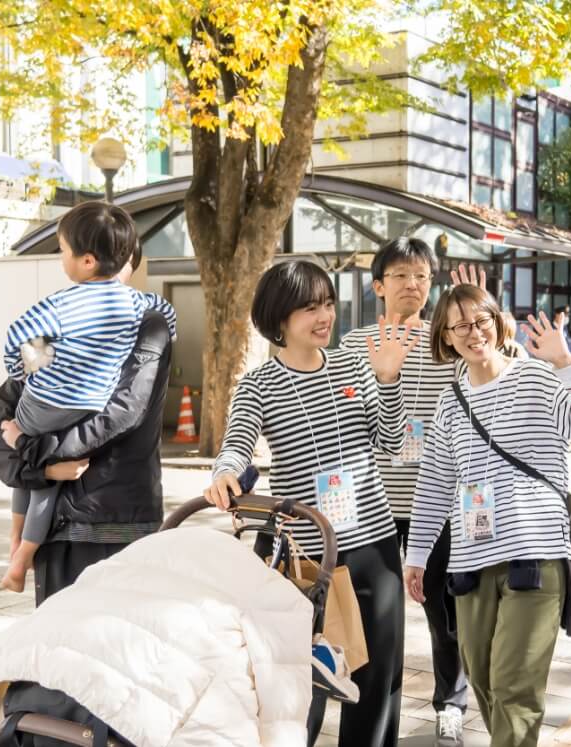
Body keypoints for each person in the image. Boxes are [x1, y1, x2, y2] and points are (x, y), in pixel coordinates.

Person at [205, 260, 415, 747]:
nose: (324, 316)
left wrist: (388, 380)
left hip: (374, 543)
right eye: (309, 308)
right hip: (307, 554)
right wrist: (224, 473)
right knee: (305, 680)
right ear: (280, 318)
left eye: (327, 304)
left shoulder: (353, 364)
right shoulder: (259, 384)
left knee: (378, 676)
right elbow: (237, 444)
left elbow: (389, 441)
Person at [404, 284, 571, 747]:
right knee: (482, 676)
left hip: (534, 554)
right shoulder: (449, 404)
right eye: (460, 325)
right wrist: (417, 554)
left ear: (498, 324)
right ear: (447, 336)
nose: (473, 333)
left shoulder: (537, 379)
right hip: (470, 561)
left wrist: (567, 364)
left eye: (481, 321)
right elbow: (436, 485)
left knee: (514, 684)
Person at [0, 201, 177, 592]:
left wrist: (30, 445)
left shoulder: (62, 308)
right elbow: (123, 410)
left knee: (33, 474)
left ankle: (17, 547)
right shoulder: (147, 314)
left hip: (98, 511)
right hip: (105, 495)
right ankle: (21, 553)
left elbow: (15, 344)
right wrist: (44, 457)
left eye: (62, 250)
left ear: (88, 260)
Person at [339, 239, 469, 745]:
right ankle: (372, 701)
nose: (413, 284)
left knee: (443, 609)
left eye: (421, 276)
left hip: (435, 501)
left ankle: (450, 701)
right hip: (372, 503)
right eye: (400, 276)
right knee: (378, 613)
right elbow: (346, 415)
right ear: (378, 286)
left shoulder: (448, 340)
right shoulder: (354, 345)